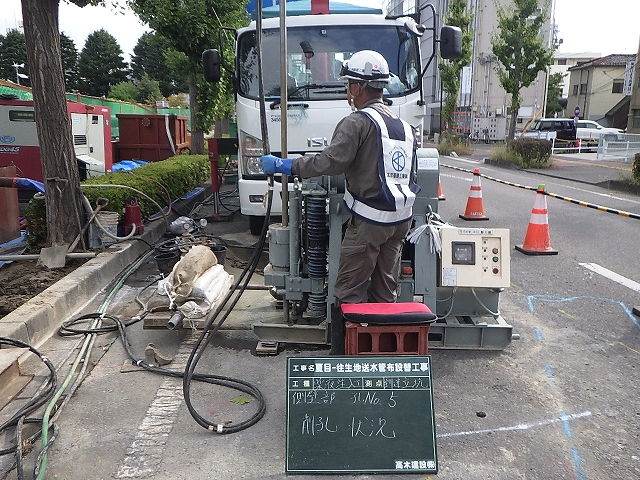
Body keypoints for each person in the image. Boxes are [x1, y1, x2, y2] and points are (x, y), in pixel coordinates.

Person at [260, 50, 420, 352]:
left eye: (349, 84)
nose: (348, 90)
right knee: (385, 290)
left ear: (359, 87)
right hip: (401, 221)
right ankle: (382, 353)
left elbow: (330, 162)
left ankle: (344, 357)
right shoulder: (403, 125)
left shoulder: (357, 122)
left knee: (349, 290)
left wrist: (287, 166)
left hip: (371, 221)